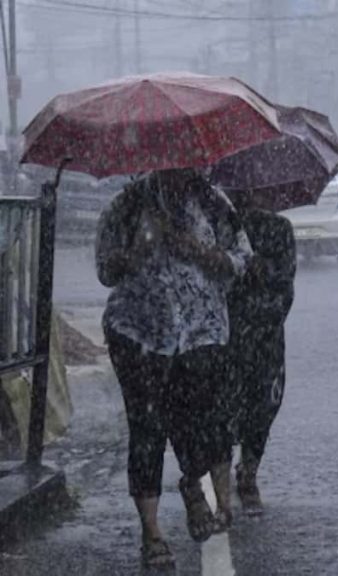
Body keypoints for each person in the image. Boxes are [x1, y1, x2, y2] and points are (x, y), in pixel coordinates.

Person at [96, 169, 252, 568]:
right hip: (138, 333)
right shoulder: (127, 204)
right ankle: (151, 533)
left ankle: (195, 486)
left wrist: (197, 251)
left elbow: (240, 259)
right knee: (146, 429)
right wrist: (138, 251)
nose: (178, 174)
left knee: (198, 420)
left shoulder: (215, 203)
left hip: (202, 332)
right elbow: (105, 269)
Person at [224, 193, 297, 516]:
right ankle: (217, 473)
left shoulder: (278, 228)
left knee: (264, 403)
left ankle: (249, 471)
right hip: (222, 334)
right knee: (220, 406)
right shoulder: (219, 226)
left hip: (265, 334)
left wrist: (262, 272)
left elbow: (286, 283)